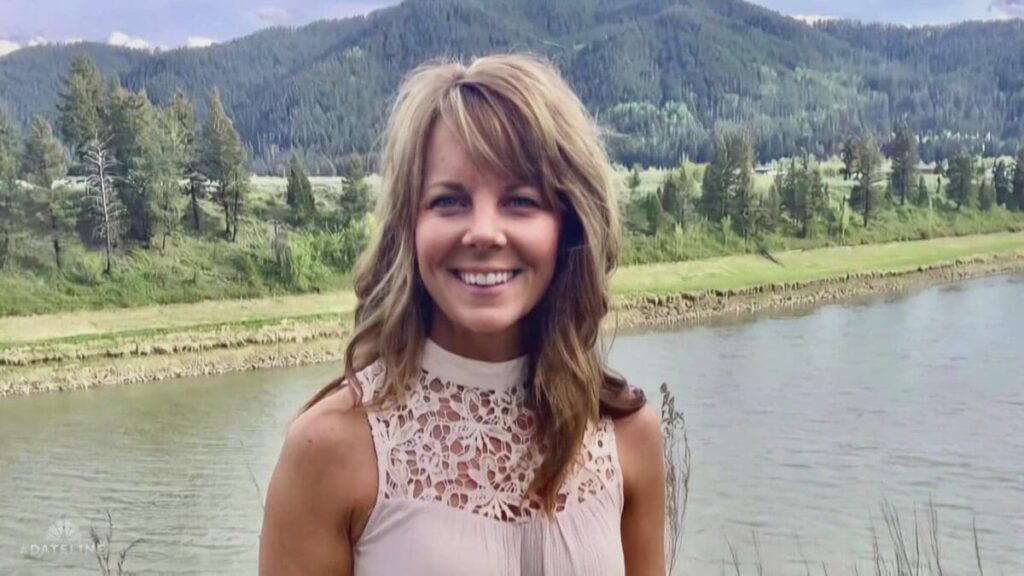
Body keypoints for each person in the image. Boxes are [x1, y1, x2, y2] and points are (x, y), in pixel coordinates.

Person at [258, 53, 665, 576]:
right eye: (449, 201)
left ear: (569, 225)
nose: (484, 232)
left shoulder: (628, 436)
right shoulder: (331, 448)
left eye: (520, 201)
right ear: (408, 226)